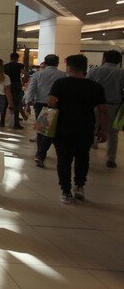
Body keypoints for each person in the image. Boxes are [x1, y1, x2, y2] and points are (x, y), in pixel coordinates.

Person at [47, 54, 108, 204]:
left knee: (64, 160)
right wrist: (103, 130)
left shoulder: (60, 83)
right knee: (83, 158)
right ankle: (79, 186)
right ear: (84, 67)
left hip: (63, 128)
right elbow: (103, 110)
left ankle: (66, 192)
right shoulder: (95, 87)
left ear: (69, 67)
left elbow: (51, 102)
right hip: (86, 127)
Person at [25, 54, 66, 167]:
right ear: (57, 63)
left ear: (45, 63)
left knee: (41, 129)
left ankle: (40, 153)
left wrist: (28, 103)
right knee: (50, 130)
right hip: (56, 105)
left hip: (40, 104)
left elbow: (31, 89)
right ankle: (40, 154)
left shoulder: (38, 74)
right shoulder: (63, 75)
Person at [88, 50, 124, 167]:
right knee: (113, 132)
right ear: (119, 61)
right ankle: (111, 159)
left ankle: (86, 154)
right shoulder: (121, 73)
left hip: (94, 104)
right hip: (113, 104)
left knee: (91, 128)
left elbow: (86, 86)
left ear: (104, 59)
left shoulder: (94, 70)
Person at [2, 53, 26, 129]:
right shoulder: (19, 66)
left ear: (10, 58)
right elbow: (26, 74)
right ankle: (16, 123)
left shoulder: (5, 66)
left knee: (5, 104)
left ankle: (2, 123)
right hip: (16, 85)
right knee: (16, 104)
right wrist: (23, 82)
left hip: (6, 85)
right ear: (17, 58)